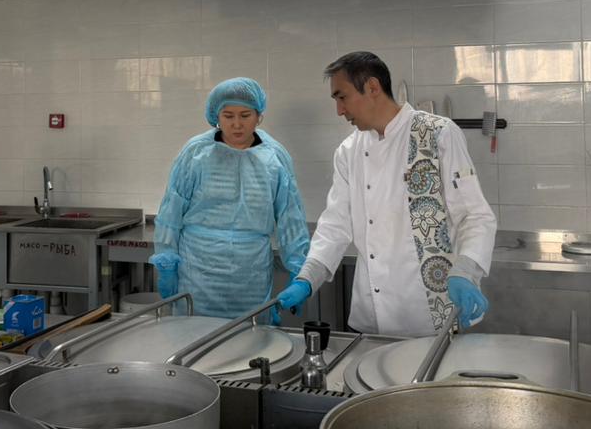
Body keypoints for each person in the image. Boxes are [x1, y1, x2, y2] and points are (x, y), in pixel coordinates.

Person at [276, 52, 497, 336]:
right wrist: (307, 279)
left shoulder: (438, 134)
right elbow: (335, 225)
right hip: (373, 314)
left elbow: (475, 216)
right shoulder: (348, 151)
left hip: (433, 311)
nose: (339, 110)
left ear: (372, 87)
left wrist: (466, 270)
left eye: (342, 97)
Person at [151, 78, 311, 319]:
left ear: (259, 116)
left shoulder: (274, 157)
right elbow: (170, 212)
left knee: (249, 337)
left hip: (250, 276)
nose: (237, 124)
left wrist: (299, 271)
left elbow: (291, 218)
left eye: (245, 115)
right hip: (198, 273)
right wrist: (167, 264)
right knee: (194, 336)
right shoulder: (196, 153)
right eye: (228, 116)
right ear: (216, 116)